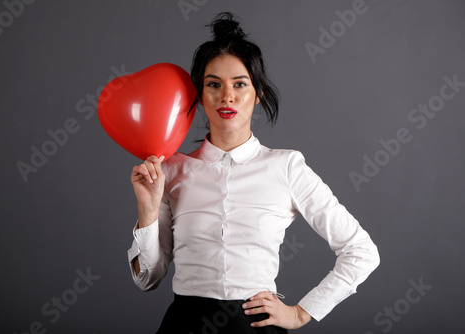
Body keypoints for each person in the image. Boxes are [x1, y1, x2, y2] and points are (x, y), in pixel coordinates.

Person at [128, 12, 380, 333]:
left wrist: (302, 312)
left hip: (256, 327)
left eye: (240, 84)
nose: (227, 96)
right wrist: (147, 210)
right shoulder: (170, 169)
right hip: (184, 324)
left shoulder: (286, 166)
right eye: (213, 84)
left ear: (257, 93)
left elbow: (361, 251)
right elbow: (147, 279)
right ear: (199, 95)